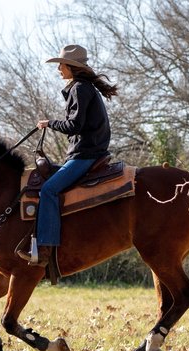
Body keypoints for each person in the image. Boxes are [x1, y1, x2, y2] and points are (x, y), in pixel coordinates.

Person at [17, 44, 118, 266]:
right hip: (88, 152)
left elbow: (74, 125)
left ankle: (44, 250)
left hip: (85, 154)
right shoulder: (83, 88)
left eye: (61, 65)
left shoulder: (79, 89)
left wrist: (49, 123)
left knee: (49, 190)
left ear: (71, 67)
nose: (58, 69)